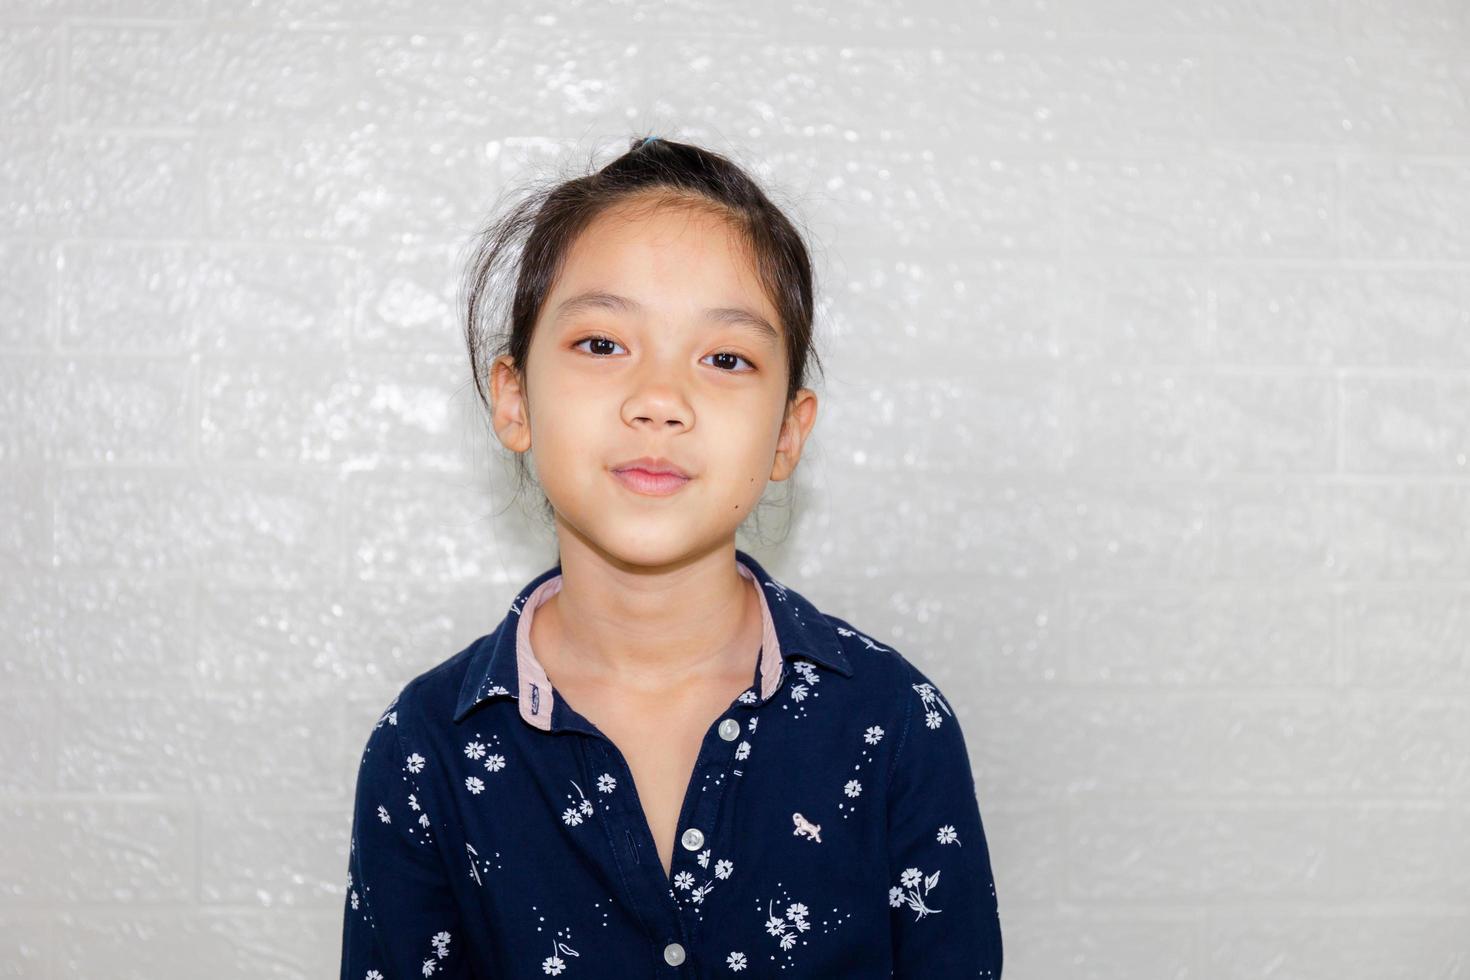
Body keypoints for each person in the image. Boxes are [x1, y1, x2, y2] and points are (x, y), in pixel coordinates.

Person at [339, 134, 1003, 978]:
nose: (660, 400)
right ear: (514, 399)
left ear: (787, 434)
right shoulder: (423, 750)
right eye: (602, 345)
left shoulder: (896, 724)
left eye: (725, 359)